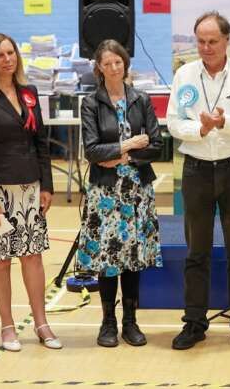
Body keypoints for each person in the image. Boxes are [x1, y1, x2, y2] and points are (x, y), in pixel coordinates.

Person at [167, 11, 230, 350]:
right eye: (200, 42)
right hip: (197, 170)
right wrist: (201, 128)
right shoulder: (184, 74)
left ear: (227, 40)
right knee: (197, 252)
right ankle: (194, 323)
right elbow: (174, 123)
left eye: (212, 41)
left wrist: (224, 123)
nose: (206, 48)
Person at [0, 33, 61, 351]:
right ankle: (7, 327)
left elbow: (41, 142)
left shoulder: (29, 93)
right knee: (0, 261)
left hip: (30, 188)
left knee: (32, 257)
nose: (8, 59)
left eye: (11, 53)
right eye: (0, 55)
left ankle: (41, 323)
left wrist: (46, 184)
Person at [78, 39, 163, 348]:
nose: (114, 68)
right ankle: (108, 322)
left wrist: (118, 156)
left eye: (118, 62)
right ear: (99, 68)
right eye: (107, 63)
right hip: (105, 192)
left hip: (137, 189)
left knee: (133, 257)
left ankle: (130, 321)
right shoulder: (91, 103)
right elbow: (92, 151)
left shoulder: (141, 99)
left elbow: (156, 145)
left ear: (125, 63)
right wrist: (128, 145)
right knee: (108, 257)